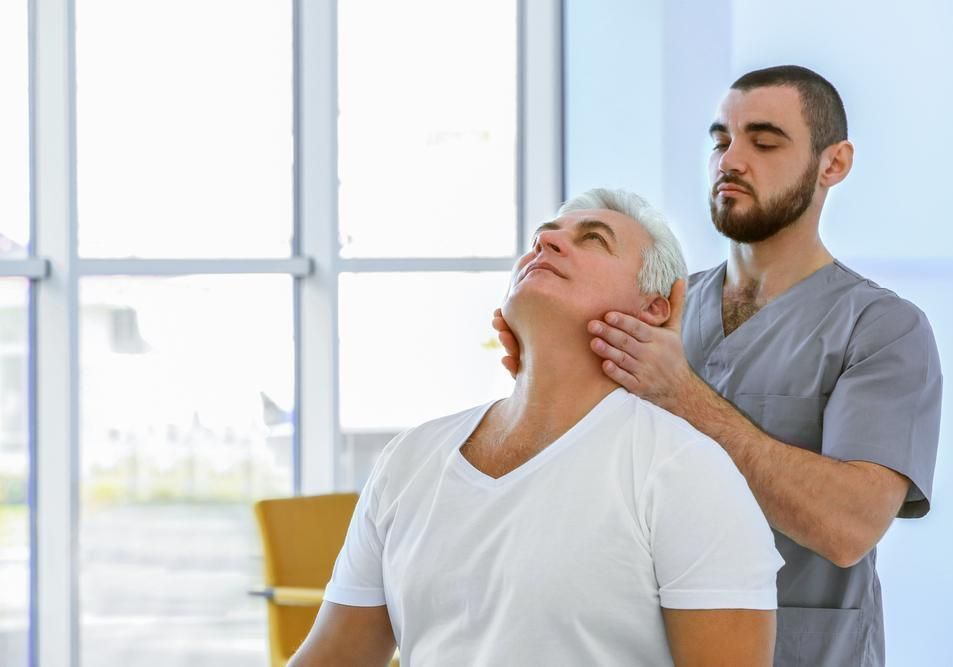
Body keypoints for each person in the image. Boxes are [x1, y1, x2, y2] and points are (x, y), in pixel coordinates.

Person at [498, 66, 943, 666]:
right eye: (720, 141)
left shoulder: (882, 330)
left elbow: (848, 527)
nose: (731, 160)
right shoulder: (655, 310)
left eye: (763, 142)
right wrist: (537, 382)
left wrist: (683, 397)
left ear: (832, 165)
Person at [288, 188, 784, 666]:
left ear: (654, 308)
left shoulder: (685, 471)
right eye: (542, 237)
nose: (546, 243)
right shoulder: (410, 459)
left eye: (593, 239)